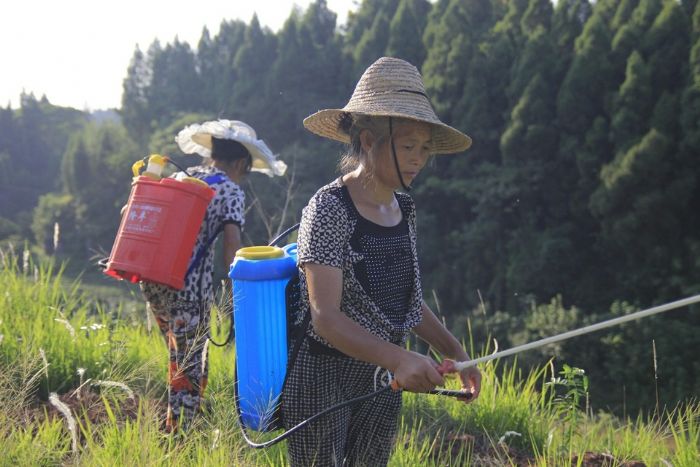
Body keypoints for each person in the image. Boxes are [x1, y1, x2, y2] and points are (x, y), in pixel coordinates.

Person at [281, 57, 482, 466]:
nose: (419, 159)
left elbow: (407, 302)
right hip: (323, 379)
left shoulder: (403, 209)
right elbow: (325, 317)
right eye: (409, 146)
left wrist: (456, 351)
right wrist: (399, 358)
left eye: (425, 149)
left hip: (381, 384)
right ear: (369, 141)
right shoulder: (329, 209)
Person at [141, 119, 286, 432]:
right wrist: (240, 296)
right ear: (239, 163)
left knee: (180, 358)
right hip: (188, 290)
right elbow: (231, 247)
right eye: (245, 170)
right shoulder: (229, 190)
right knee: (190, 365)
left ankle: (178, 427)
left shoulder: (181, 176)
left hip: (154, 281)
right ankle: (179, 439)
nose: (243, 177)